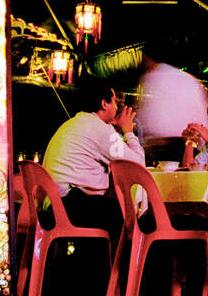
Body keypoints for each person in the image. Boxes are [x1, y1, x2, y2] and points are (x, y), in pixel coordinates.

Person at [41, 80, 145, 240]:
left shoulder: (74, 123)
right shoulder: (100, 129)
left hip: (51, 208)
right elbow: (137, 165)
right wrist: (128, 131)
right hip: (71, 206)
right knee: (124, 215)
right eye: (115, 102)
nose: (117, 107)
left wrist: (114, 131)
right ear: (104, 103)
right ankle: (119, 265)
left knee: (111, 208)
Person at [136, 50, 208, 164]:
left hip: (168, 144)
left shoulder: (153, 77)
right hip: (183, 142)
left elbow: (148, 116)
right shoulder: (188, 79)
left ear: (148, 58)